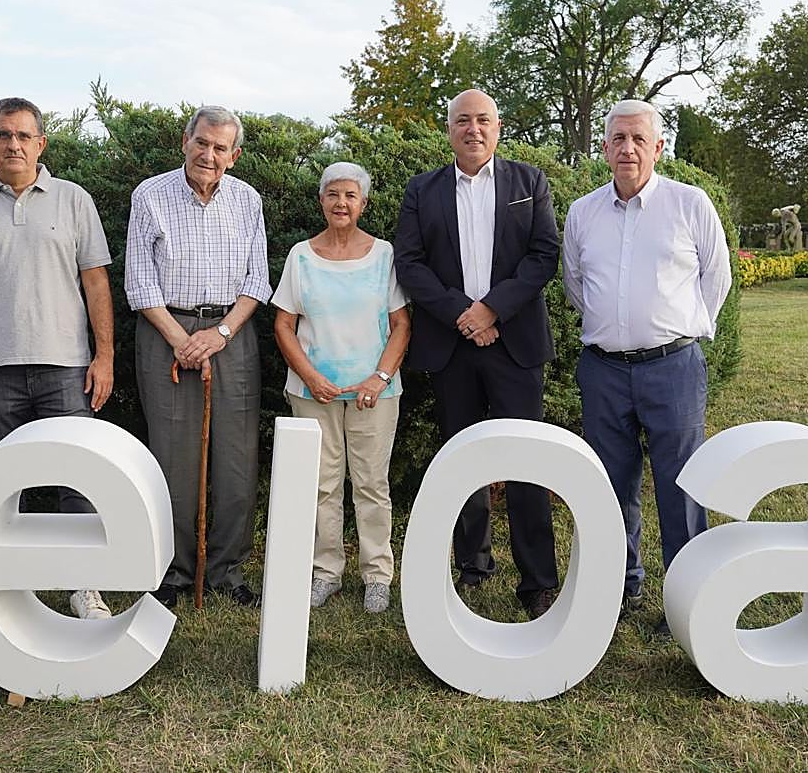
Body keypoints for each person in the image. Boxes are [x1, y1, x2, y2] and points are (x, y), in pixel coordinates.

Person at [0, 96, 115, 620]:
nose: (14, 144)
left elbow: (96, 281)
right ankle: (3, 594)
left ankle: (84, 588)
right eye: (3, 135)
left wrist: (103, 358)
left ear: (41, 144)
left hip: (66, 366)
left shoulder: (74, 199)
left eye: (23, 136)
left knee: (75, 483)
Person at [562, 99, 732, 635]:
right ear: (605, 147)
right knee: (609, 485)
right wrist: (615, 330)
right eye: (618, 139)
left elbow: (716, 278)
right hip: (604, 371)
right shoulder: (582, 213)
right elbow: (575, 285)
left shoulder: (689, 204)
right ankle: (619, 585)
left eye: (639, 139)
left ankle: (684, 600)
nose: (627, 148)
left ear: (659, 147)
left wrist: (677, 329)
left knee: (680, 486)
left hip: (673, 368)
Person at [393, 89, 562, 620]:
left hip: (513, 343)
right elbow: (411, 263)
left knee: (525, 461)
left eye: (483, 119)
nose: (473, 129)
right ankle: (473, 563)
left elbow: (543, 255)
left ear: (497, 125)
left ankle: (537, 579)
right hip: (452, 345)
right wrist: (463, 315)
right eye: (462, 120)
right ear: (449, 130)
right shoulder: (423, 190)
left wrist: (491, 310)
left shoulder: (528, 182)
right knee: (461, 457)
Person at [125, 105, 270, 609]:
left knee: (235, 457)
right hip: (166, 330)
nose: (209, 155)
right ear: (185, 140)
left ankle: (227, 571)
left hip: (232, 332)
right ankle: (173, 572)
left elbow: (257, 282)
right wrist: (180, 339)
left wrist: (221, 333)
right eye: (202, 142)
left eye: (220, 148)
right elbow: (140, 282)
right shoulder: (150, 195)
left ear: (235, 155)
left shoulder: (248, 200)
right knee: (172, 455)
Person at [272, 162, 410, 614]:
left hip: (374, 393)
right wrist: (310, 376)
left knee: (372, 485)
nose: (341, 203)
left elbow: (400, 324)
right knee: (320, 485)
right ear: (321, 201)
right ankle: (325, 572)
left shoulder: (384, 255)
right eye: (333, 194)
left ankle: (377, 575)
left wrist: (380, 377)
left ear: (363, 204)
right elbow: (284, 324)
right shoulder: (301, 256)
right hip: (314, 392)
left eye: (350, 195)